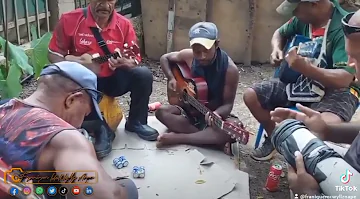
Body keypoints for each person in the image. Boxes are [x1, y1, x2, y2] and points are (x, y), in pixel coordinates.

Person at [0, 61, 138, 199]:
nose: (80, 124)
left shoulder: (4, 107)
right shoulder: (63, 137)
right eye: (85, 114)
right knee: (127, 187)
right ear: (72, 100)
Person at [243, 0, 359, 161]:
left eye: (296, 8)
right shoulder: (303, 20)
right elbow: (280, 33)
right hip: (303, 82)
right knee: (251, 95)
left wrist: (307, 69)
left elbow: (345, 79)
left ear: (314, 4)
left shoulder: (343, 28)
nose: (293, 13)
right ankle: (275, 138)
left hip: (339, 90)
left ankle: (305, 161)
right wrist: (276, 49)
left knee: (324, 126)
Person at [48, 0, 159, 158]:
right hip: (84, 83)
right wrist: (74, 64)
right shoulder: (69, 20)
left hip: (113, 78)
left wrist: (124, 62)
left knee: (143, 74)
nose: (105, 6)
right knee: (75, 80)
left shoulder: (124, 24)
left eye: (110, 1)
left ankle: (137, 121)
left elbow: (134, 58)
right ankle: (101, 130)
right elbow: (54, 54)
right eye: (100, 0)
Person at [270, 10, 360, 199]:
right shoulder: (299, 21)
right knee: (299, 151)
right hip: (351, 172)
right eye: (351, 57)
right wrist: (327, 131)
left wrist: (309, 195)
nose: (352, 67)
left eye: (359, 59)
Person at [155, 22, 240, 150]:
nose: (202, 56)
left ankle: (178, 138)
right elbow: (165, 58)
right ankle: (207, 139)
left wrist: (217, 114)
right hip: (189, 110)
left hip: (211, 115)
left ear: (216, 44)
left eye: (206, 51)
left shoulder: (230, 70)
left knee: (234, 128)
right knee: (161, 112)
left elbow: (228, 105)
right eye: (197, 51)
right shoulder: (189, 56)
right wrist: (171, 78)